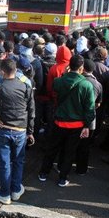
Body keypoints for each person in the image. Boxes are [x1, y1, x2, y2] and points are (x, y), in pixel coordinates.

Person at [0, 58, 35, 204]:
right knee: (19, 161)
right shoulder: (26, 86)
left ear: (1, 72)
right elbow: (31, 110)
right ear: (16, 70)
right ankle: (16, 190)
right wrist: (30, 131)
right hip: (20, 130)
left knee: (4, 163)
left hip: (3, 129)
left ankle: (4, 193)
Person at [38, 55, 95, 187]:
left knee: (52, 148)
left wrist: (65, 73)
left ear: (70, 65)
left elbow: (54, 89)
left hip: (59, 122)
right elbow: (90, 109)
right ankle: (63, 178)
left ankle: (43, 173)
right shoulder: (87, 85)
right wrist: (86, 125)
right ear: (81, 68)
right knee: (69, 152)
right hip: (76, 125)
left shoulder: (59, 81)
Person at [75, 59, 102, 175]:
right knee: (85, 146)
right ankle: (81, 169)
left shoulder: (78, 81)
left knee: (72, 142)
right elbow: (98, 103)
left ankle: (65, 165)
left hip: (75, 117)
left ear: (83, 68)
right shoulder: (97, 84)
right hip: (90, 120)